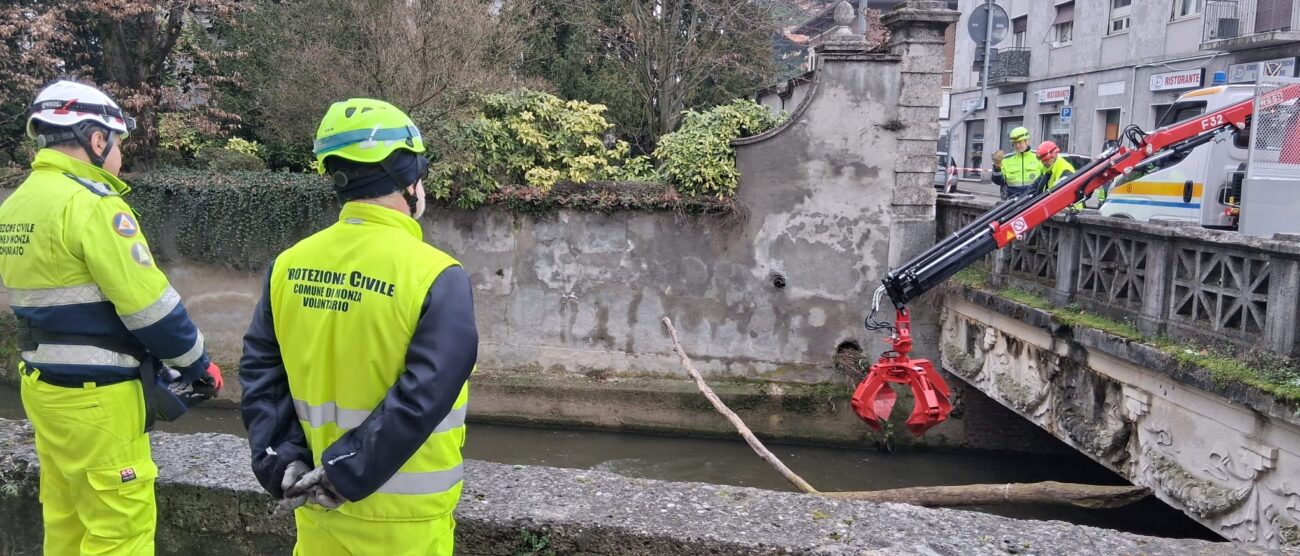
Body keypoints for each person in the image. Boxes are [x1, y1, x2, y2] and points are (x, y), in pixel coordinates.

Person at [240, 98, 478, 555]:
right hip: (405, 524)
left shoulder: (287, 266)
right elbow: (423, 397)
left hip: (315, 513)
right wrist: (344, 472)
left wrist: (280, 461)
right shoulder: (436, 275)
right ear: (407, 177)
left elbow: (260, 374)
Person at [0, 79, 222, 555]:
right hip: (99, 400)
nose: (120, 153)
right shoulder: (92, 205)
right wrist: (198, 364)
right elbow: (150, 308)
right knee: (120, 530)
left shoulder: (16, 204)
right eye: (118, 142)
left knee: (66, 521)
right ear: (96, 139)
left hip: (43, 387)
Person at [991, 126, 1045, 199]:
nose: (1017, 145)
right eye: (1015, 143)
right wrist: (997, 166)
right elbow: (998, 181)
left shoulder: (1038, 157)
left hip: (1034, 200)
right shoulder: (1006, 159)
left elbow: (1046, 178)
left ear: (1027, 141)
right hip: (1013, 201)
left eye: (1020, 142)